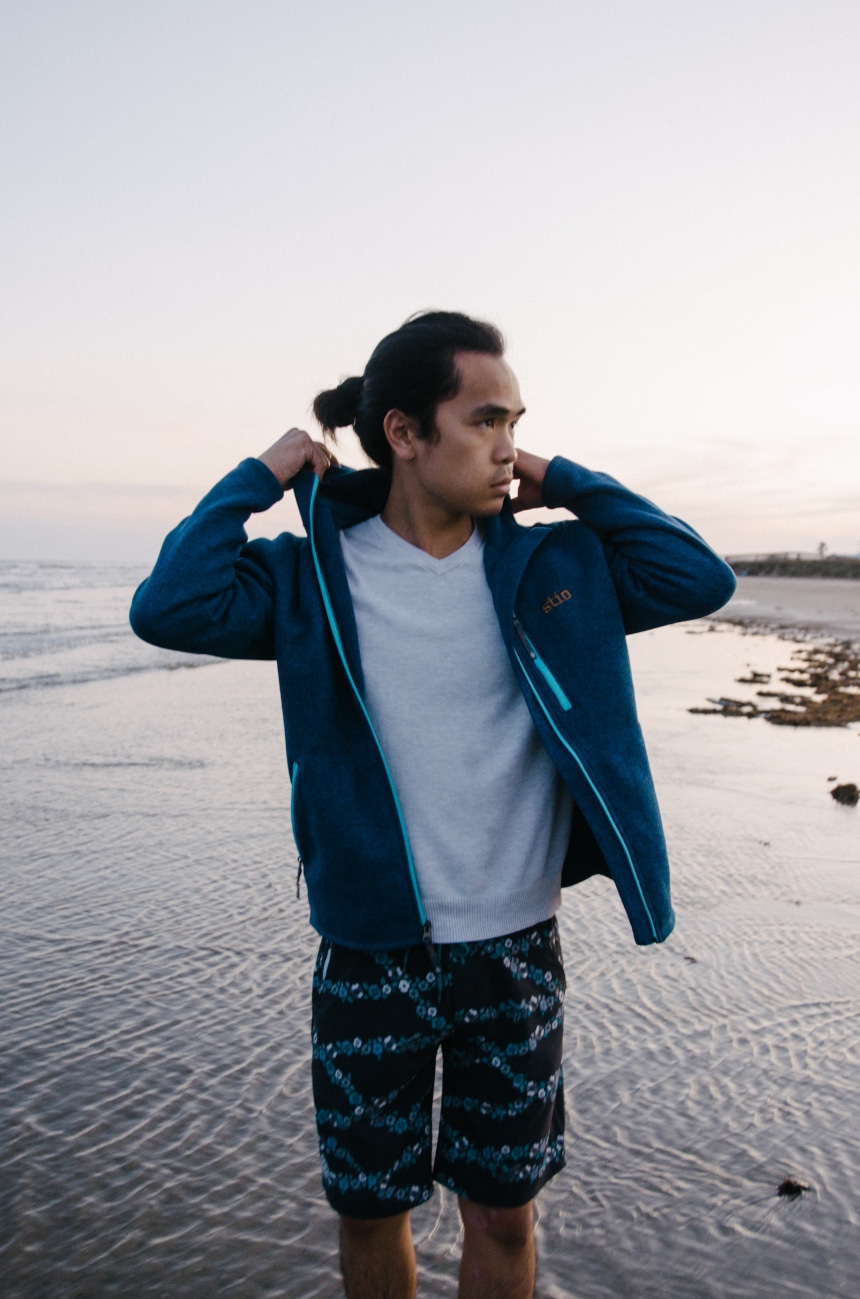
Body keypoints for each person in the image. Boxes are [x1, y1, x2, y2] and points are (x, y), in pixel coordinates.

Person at [130, 310, 735, 1298]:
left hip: (514, 950)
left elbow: (696, 576)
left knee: (503, 1216)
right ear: (405, 433)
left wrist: (564, 481)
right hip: (370, 953)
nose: (508, 447)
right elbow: (169, 606)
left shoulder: (555, 566)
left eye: (517, 423)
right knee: (371, 1210)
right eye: (485, 420)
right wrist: (265, 474)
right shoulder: (308, 581)